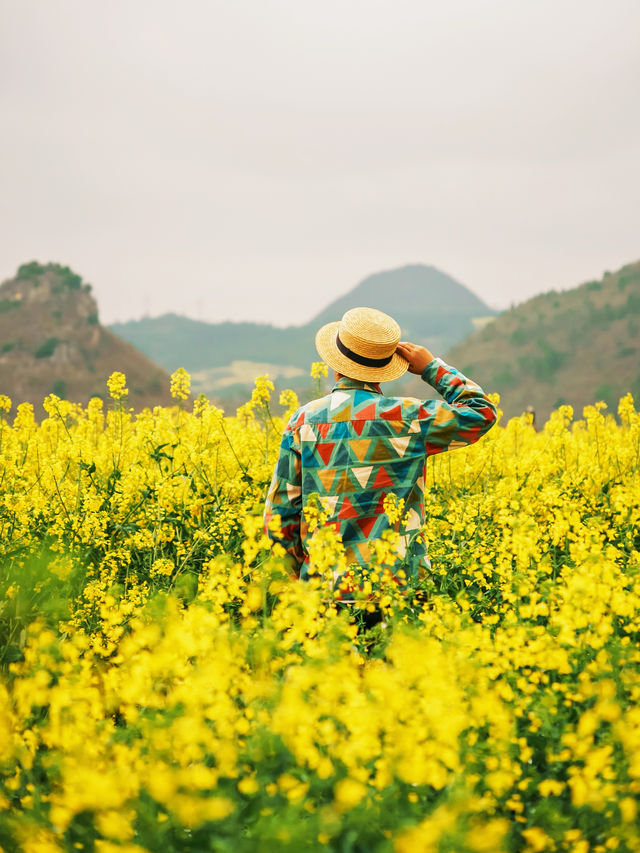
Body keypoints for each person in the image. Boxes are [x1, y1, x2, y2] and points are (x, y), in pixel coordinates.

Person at [263, 306, 497, 608]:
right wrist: (430, 367)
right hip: (400, 594)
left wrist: (296, 584)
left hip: (324, 592)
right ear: (384, 370)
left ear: (336, 364)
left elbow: (280, 514)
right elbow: (481, 412)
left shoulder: (303, 421)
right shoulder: (409, 419)